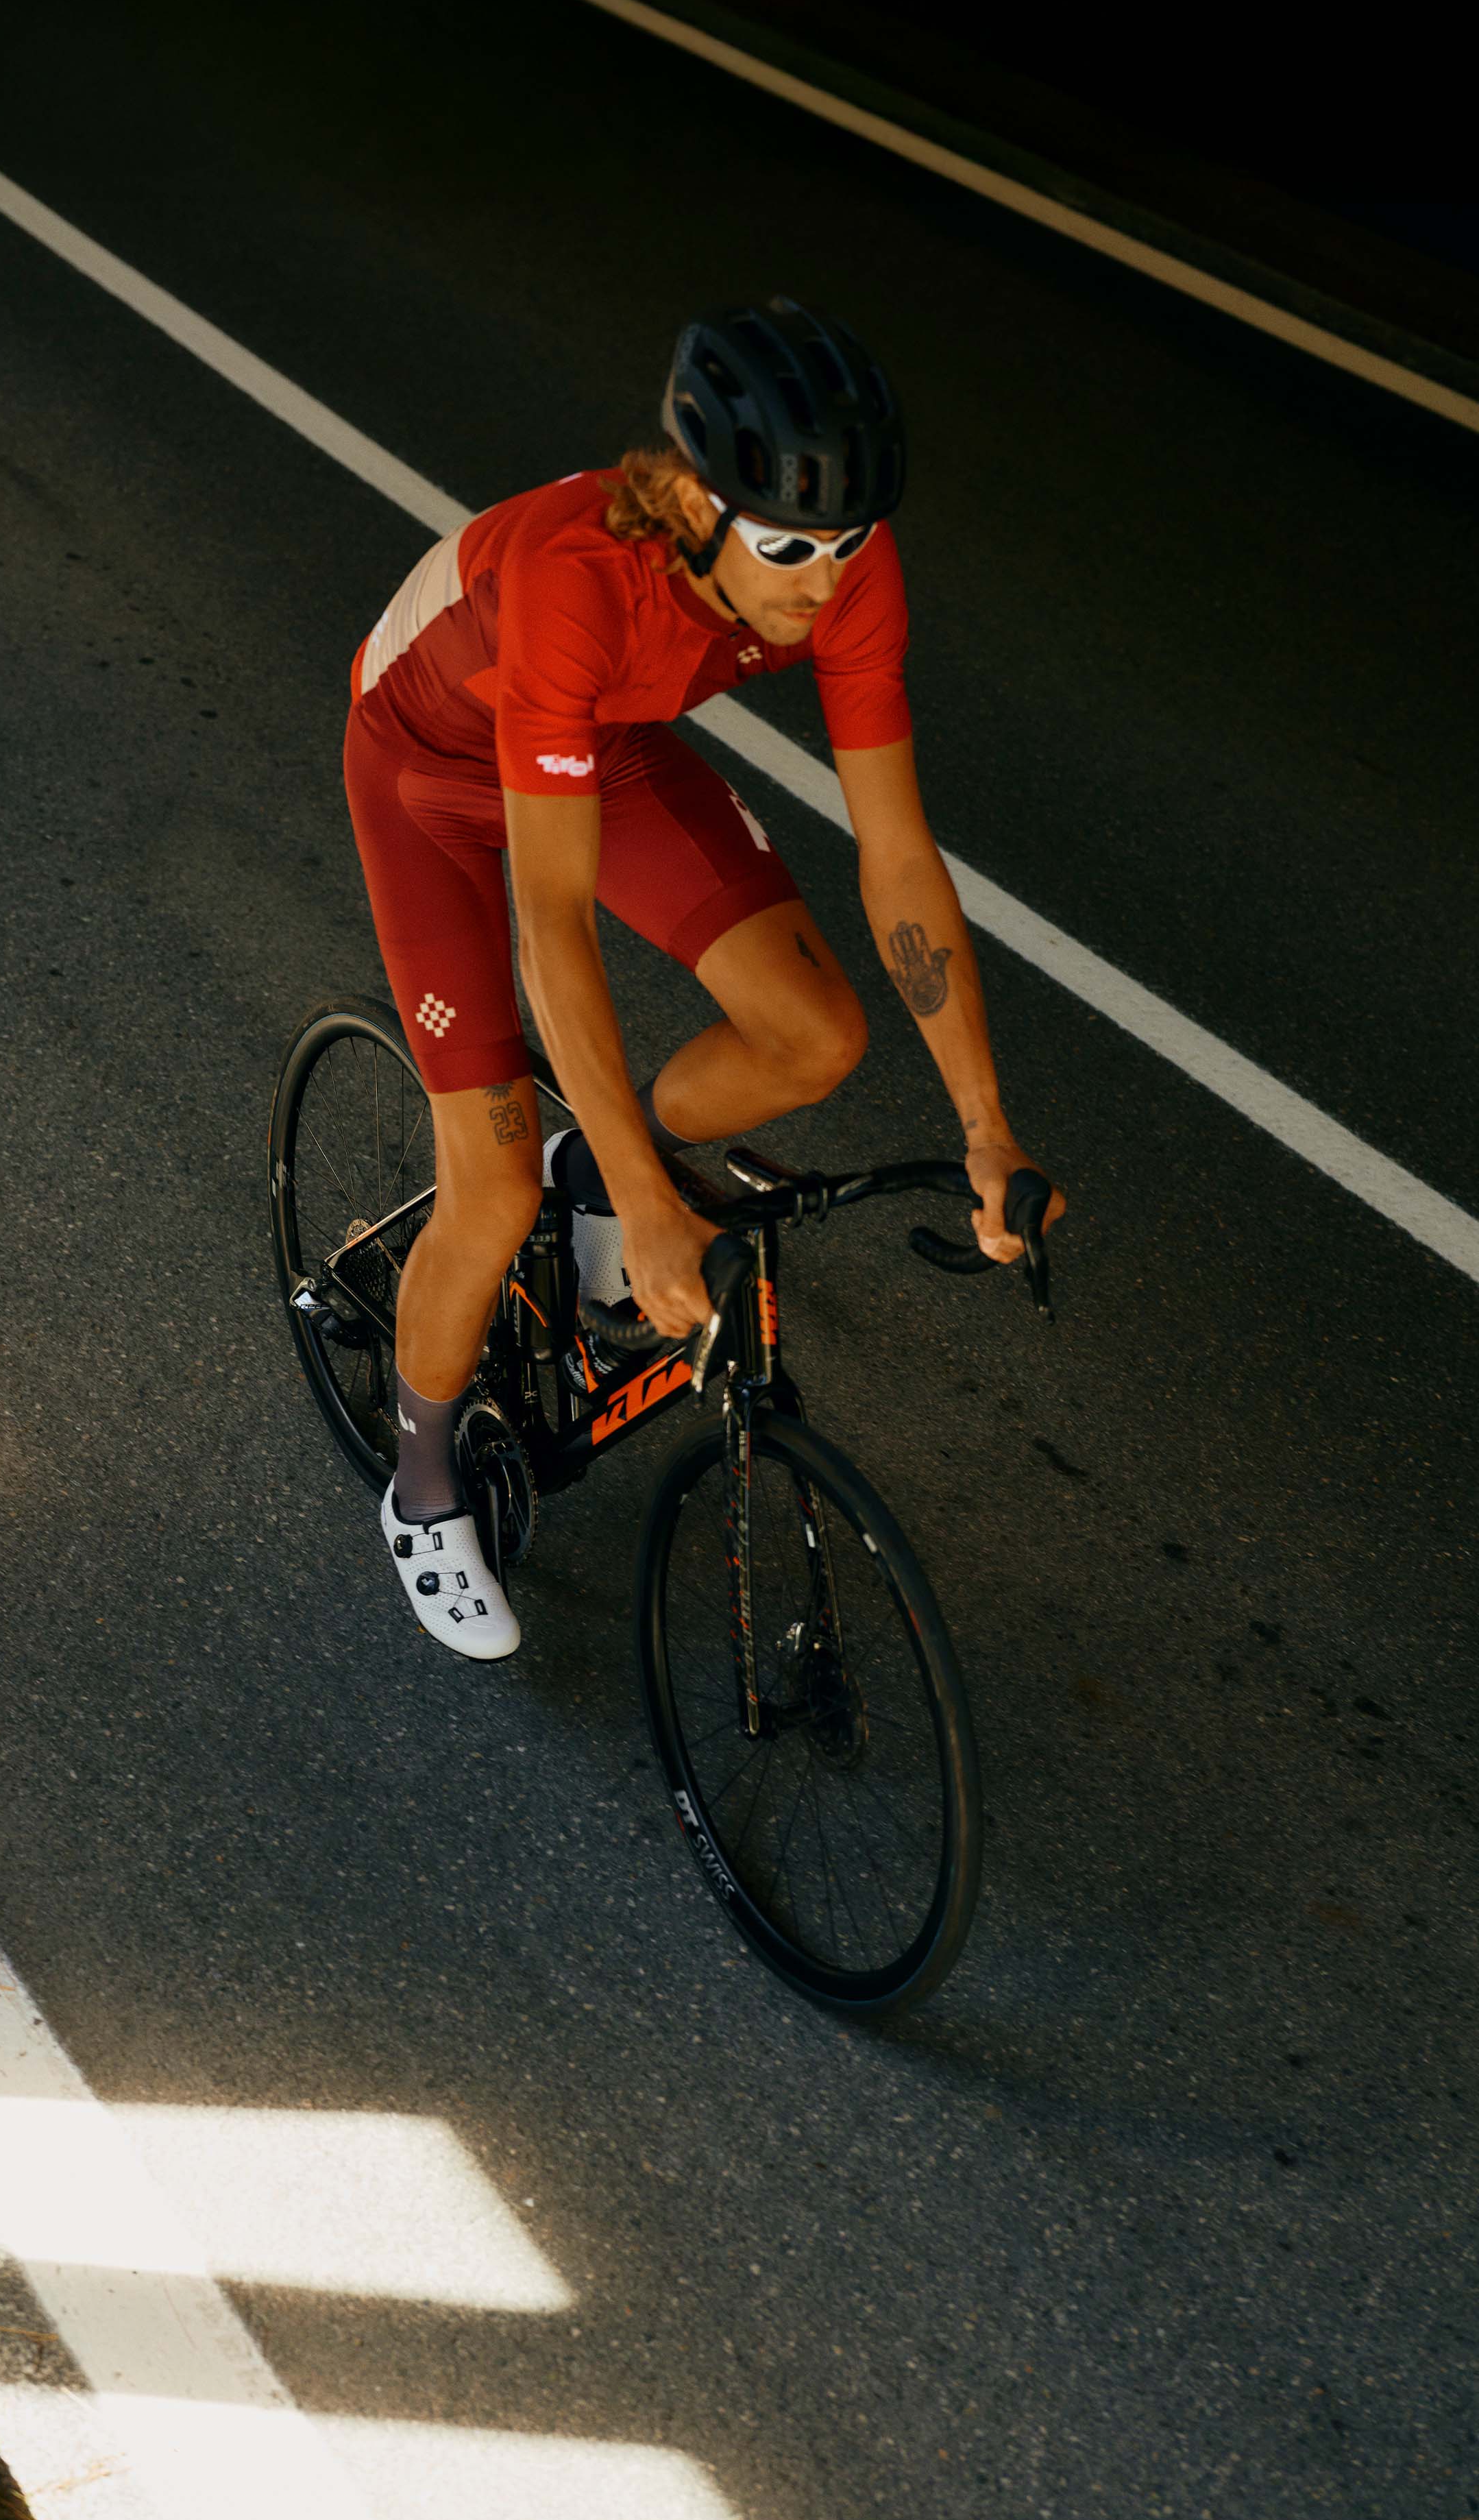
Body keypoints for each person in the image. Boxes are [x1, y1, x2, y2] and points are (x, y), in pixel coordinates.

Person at [343, 298, 1063, 1660]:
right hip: (431, 775)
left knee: (816, 1033)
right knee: (487, 1182)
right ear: (683, 497)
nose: (822, 582)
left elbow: (901, 860)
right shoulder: (575, 578)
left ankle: (591, 1168)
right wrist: (651, 1204)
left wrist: (986, 1124)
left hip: (604, 745)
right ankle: (425, 1480)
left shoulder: (847, 573)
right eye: (790, 546)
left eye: (846, 545)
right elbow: (550, 922)